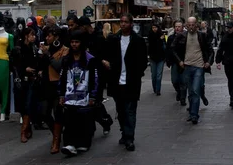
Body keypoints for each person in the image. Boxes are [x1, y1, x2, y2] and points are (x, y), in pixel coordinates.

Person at [105, 14, 148, 151]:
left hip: (131, 81)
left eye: (126, 22)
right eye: (121, 22)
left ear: (131, 23)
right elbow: (106, 55)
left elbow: (142, 61)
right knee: (121, 110)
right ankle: (124, 132)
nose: (123, 24)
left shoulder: (138, 40)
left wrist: (137, 73)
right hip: (116, 81)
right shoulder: (114, 39)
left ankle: (130, 137)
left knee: (130, 110)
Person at [58, 30, 98, 156]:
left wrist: (93, 95)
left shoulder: (90, 59)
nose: (74, 44)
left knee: (82, 121)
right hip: (70, 96)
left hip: (84, 95)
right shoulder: (66, 60)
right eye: (72, 42)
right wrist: (61, 94)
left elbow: (94, 78)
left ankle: (83, 143)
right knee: (69, 121)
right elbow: (62, 77)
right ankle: (69, 144)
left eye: (77, 42)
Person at [171, 17, 214, 125]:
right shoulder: (181, 36)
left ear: (196, 25)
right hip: (186, 67)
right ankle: (191, 112)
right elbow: (173, 49)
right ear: (186, 25)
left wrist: (208, 62)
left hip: (199, 66)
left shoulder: (202, 36)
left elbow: (210, 50)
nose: (191, 27)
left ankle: (194, 115)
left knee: (195, 90)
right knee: (190, 92)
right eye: (189, 25)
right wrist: (179, 61)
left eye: (193, 24)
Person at [39, 26, 69, 154]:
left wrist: (48, 55)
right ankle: (56, 133)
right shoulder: (46, 48)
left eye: (49, 36)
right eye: (46, 36)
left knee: (58, 112)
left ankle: (56, 140)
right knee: (44, 113)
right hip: (46, 83)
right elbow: (41, 65)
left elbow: (59, 66)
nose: (47, 38)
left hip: (57, 83)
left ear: (56, 37)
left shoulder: (64, 50)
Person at [13, 27, 39, 143]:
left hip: (31, 79)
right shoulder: (18, 48)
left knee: (29, 104)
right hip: (22, 79)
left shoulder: (34, 47)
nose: (34, 37)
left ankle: (24, 130)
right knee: (23, 105)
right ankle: (27, 128)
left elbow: (36, 61)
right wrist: (24, 68)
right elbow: (14, 64)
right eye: (32, 35)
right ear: (26, 36)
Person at [215, 21, 233, 108]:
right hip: (227, 62)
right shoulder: (225, 37)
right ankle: (232, 96)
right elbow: (220, 49)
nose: (228, 29)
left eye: (230, 28)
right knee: (230, 80)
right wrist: (218, 61)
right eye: (228, 28)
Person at [166, 20, 186, 105]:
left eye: (179, 27)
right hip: (174, 62)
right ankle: (178, 91)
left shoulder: (186, 37)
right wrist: (168, 60)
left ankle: (182, 98)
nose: (177, 28)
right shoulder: (171, 37)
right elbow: (168, 50)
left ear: (182, 27)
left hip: (184, 62)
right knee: (174, 80)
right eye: (176, 27)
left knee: (183, 81)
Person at [147, 22, 166, 96]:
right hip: (152, 58)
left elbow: (163, 46)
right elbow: (151, 45)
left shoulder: (162, 35)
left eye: (155, 27)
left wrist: (161, 39)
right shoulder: (150, 35)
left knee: (158, 75)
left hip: (161, 58)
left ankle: (158, 90)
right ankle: (155, 88)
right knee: (153, 75)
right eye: (153, 27)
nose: (154, 29)